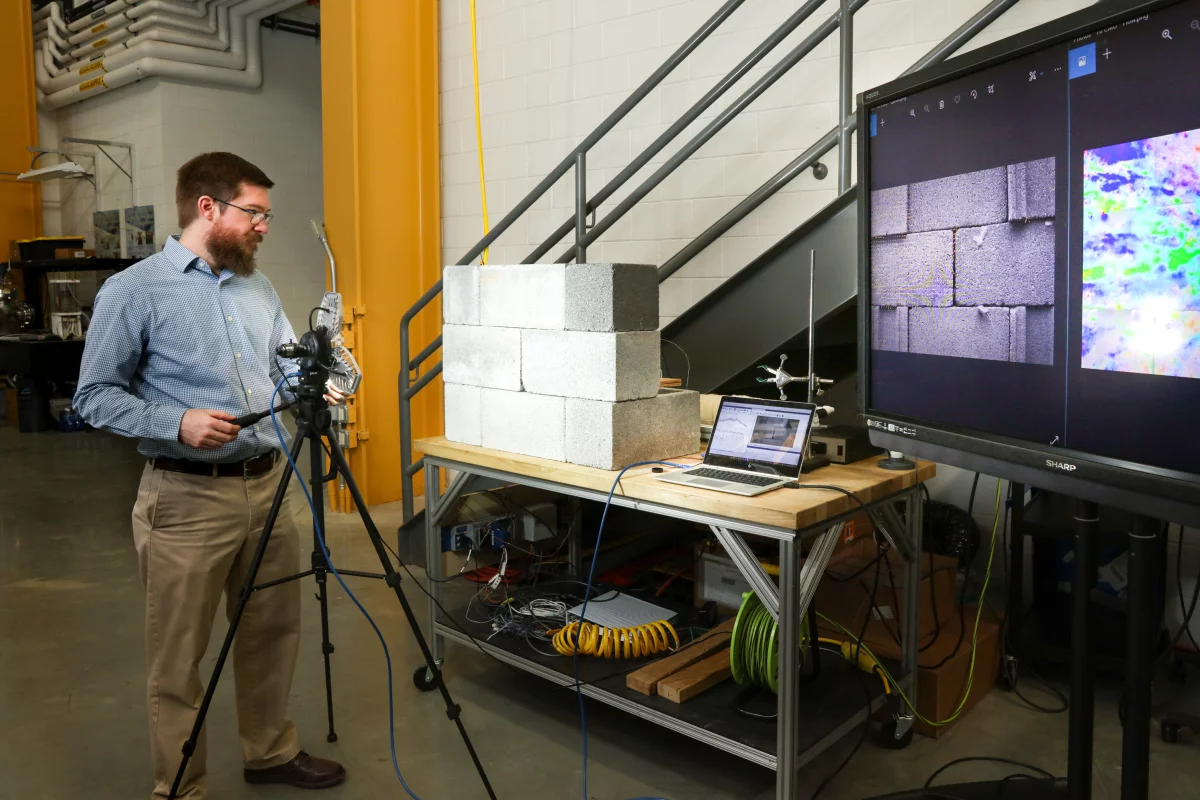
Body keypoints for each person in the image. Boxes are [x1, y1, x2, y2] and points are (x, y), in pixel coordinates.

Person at [75, 152, 347, 799]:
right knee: (179, 658)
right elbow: (93, 396)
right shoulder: (134, 291)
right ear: (208, 208)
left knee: (273, 631)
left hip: (269, 485)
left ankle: (270, 752)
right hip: (185, 498)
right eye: (254, 213)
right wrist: (177, 420)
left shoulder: (257, 286)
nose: (264, 227)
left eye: (267, 215)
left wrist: (322, 378)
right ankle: (182, 786)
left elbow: (284, 364)